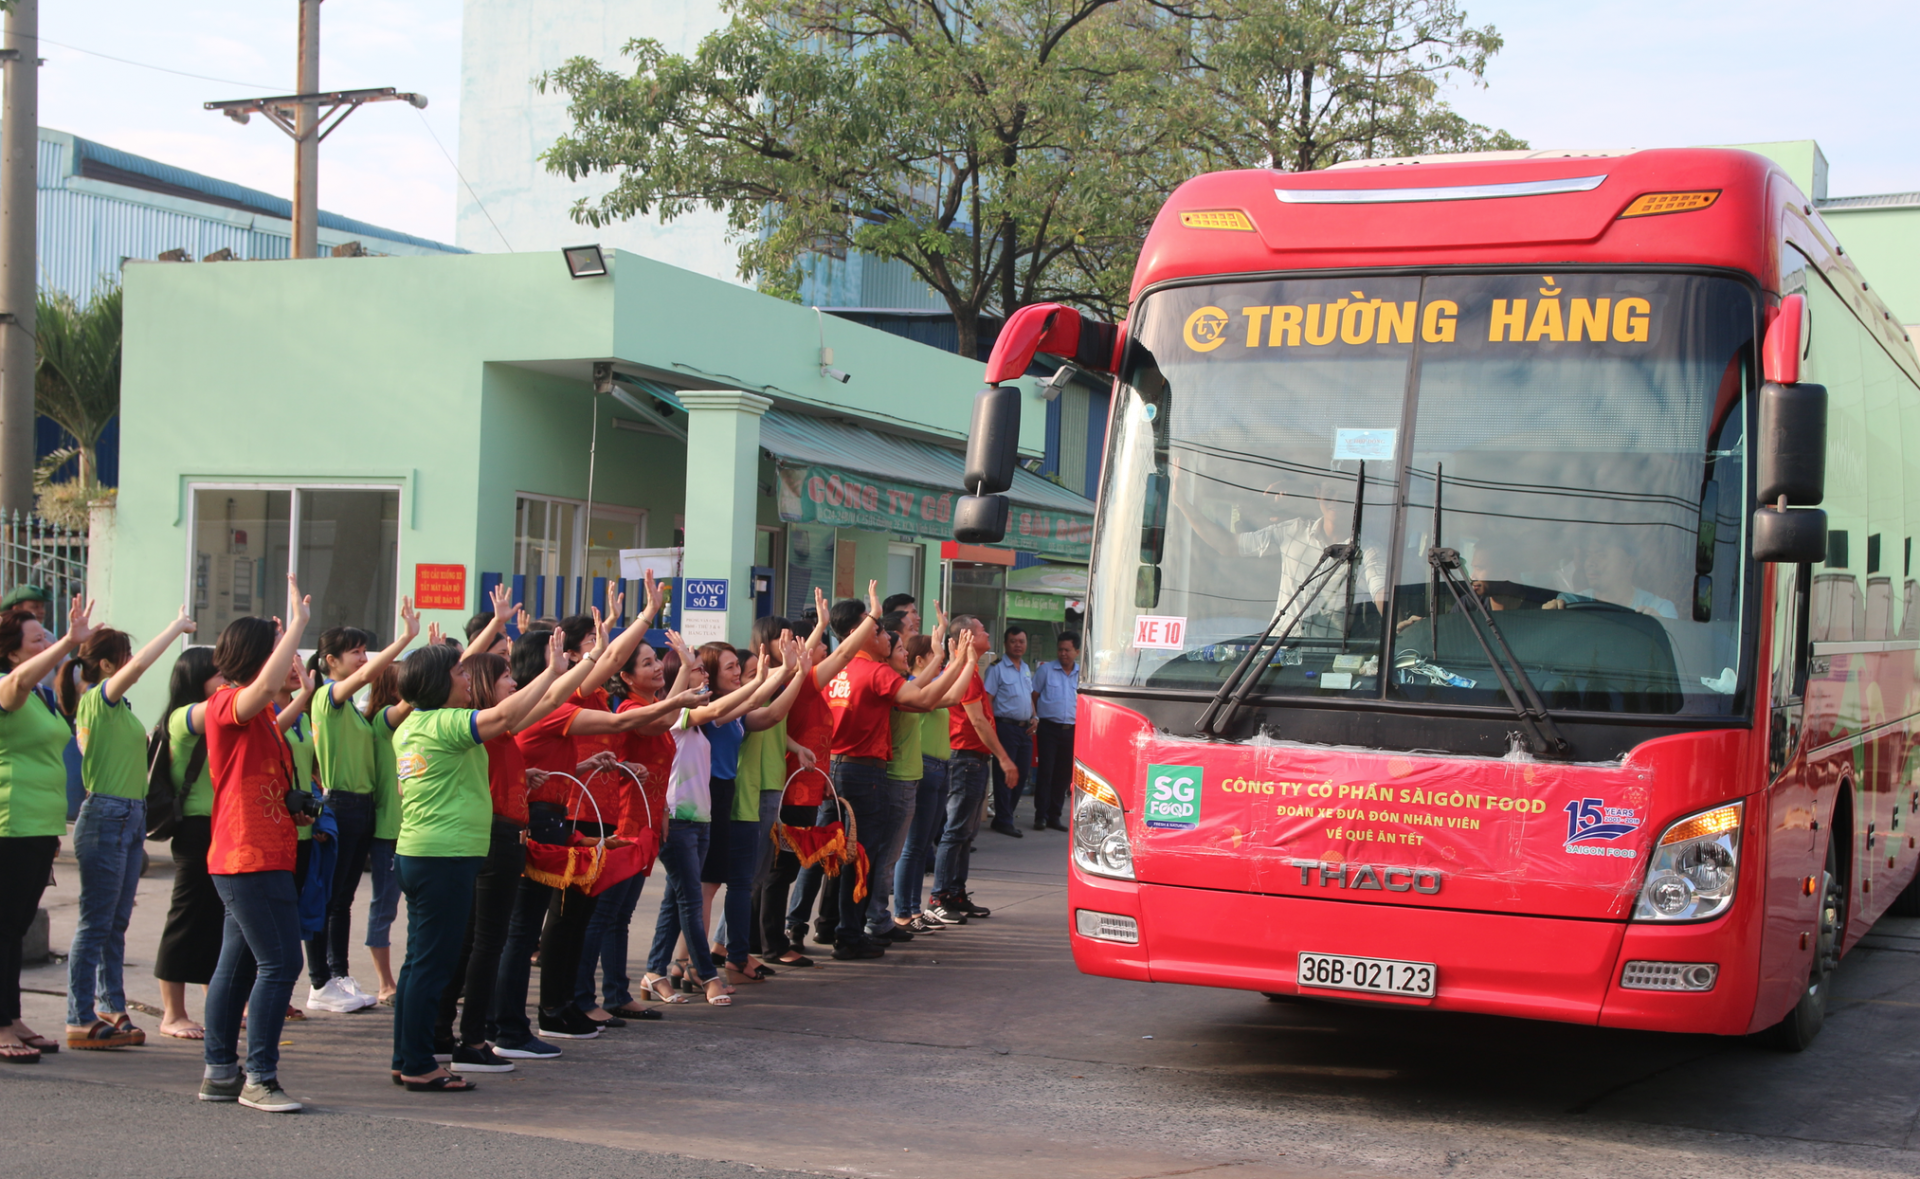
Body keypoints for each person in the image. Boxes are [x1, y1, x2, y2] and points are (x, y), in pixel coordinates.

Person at [388, 625, 577, 1092]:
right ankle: (417, 1064)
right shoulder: (443, 722)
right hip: (444, 857)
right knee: (432, 965)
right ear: (437, 682)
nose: (465, 679)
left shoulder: (411, 725)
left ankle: (408, 1055)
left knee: (418, 964)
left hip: (420, 853)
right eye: (457, 672)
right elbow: (504, 715)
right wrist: (552, 671)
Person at [197, 577, 315, 1112]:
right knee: (281, 964)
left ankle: (220, 1072)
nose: (284, 661)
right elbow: (264, 693)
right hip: (248, 856)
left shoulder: (260, 715)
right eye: (276, 652)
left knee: (239, 965)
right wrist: (297, 626)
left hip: (256, 853)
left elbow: (274, 710)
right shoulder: (226, 702)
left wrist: (304, 693)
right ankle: (259, 1077)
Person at [60, 608, 198, 1050]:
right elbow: (139, 668)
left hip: (128, 816)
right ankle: (79, 1015)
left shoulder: (116, 709)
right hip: (106, 815)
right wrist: (175, 629)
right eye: (124, 655)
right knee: (94, 923)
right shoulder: (97, 700)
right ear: (105, 665)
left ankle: (110, 1005)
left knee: (114, 923)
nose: (132, 661)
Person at [816, 582, 967, 960]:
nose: (888, 637)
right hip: (864, 773)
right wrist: (950, 659)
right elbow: (925, 698)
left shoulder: (831, 670)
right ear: (864, 634)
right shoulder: (874, 671)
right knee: (861, 857)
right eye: (882, 631)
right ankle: (850, 934)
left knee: (833, 855)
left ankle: (825, 925)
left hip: (831, 770)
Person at [302, 598, 423, 1014]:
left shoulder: (357, 715)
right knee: (328, 897)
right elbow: (372, 674)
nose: (363, 658)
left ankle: (338, 975)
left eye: (363, 649)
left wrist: (429, 668)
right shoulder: (327, 700)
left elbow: (405, 704)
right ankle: (320, 980)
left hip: (361, 808)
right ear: (329, 661)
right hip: (339, 805)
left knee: (342, 900)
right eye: (354, 651)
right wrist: (405, 637)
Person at [0, 595, 92, 1063]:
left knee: (14, 928)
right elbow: (16, 682)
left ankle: (10, 1015)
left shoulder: (42, 695)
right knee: (2, 927)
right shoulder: (8, 685)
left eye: (50, 635)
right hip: (8, 824)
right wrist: (67, 646)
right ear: (13, 652)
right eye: (38, 639)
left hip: (37, 825)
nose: (50, 642)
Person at [702, 633, 809, 984]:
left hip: (744, 798)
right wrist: (782, 674)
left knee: (739, 884)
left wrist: (791, 674)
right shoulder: (712, 709)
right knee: (704, 890)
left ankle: (726, 953)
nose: (738, 674)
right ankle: (689, 964)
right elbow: (760, 703)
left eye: (740, 667)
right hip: (727, 801)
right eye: (733, 668)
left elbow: (772, 713)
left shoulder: (736, 711)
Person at [1173, 475, 1388, 625]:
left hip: (1330, 654)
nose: (1336, 499)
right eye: (1330, 491)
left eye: (1345, 494)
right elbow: (1229, 545)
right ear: (1318, 494)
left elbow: (1380, 591)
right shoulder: (1292, 531)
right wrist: (1182, 503)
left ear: (1357, 499)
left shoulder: (1368, 550)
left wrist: (1393, 621)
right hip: (1277, 650)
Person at [152, 647, 225, 1039]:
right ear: (196, 679)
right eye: (219, 674)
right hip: (196, 828)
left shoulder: (213, 714)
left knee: (215, 921)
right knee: (186, 921)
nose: (227, 681)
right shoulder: (184, 717)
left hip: (221, 826)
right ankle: (172, 1014)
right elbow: (224, 707)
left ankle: (217, 1004)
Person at [929, 615, 1011, 926]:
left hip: (973, 759)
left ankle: (955, 892)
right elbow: (976, 721)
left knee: (966, 832)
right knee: (956, 830)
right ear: (968, 637)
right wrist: (1004, 757)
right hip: (964, 757)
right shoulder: (966, 673)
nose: (988, 632)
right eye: (981, 629)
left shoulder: (972, 671)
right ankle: (939, 896)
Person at [768, 602, 836, 965]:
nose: (825, 649)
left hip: (809, 786)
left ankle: (760, 938)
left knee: (786, 868)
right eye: (821, 643)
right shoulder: (803, 684)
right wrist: (823, 624)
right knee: (781, 870)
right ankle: (771, 940)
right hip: (792, 788)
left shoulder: (808, 689)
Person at [895, 633, 969, 932]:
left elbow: (953, 696)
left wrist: (964, 661)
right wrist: (957, 660)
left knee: (923, 844)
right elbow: (948, 695)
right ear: (921, 659)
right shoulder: (915, 686)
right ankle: (904, 911)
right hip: (924, 766)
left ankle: (913, 909)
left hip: (939, 766)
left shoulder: (926, 684)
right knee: (913, 847)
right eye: (933, 653)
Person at [361, 663, 407, 1004]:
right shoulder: (383, 721)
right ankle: (384, 982)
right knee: (384, 908)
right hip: (390, 832)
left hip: (414, 830)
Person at [982, 626, 1035, 836]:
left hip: (1025, 729)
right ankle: (1003, 819)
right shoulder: (997, 669)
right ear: (1006, 644)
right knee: (1006, 774)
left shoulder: (1025, 668)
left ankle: (1006, 814)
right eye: (1013, 641)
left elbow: (1029, 697)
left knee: (1021, 775)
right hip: (1005, 727)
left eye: (1021, 641)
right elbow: (988, 700)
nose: (1018, 645)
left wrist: (1035, 716)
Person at [1544, 537, 1678, 618]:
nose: (1590, 562)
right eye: (1588, 554)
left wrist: (1660, 628)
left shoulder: (1660, 609)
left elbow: (1675, 652)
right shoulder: (1571, 602)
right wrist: (1548, 617)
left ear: (1629, 563)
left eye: (1601, 555)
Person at [1030, 631, 1080, 833]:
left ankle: (1054, 816)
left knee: (1063, 775)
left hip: (1072, 730)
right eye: (1060, 649)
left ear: (1076, 651)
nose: (1063, 653)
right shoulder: (1046, 671)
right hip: (1048, 728)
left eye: (1067, 650)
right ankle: (1040, 816)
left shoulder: (1082, 674)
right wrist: (1037, 718)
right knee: (1046, 772)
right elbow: (1033, 696)